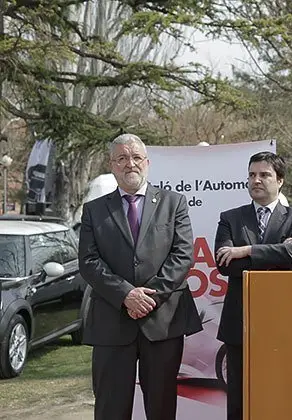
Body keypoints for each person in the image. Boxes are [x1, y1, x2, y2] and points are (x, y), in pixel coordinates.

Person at [78, 134, 202, 420]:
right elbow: (88, 261)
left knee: (161, 407)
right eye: (121, 158)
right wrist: (126, 295)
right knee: (111, 407)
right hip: (112, 322)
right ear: (112, 165)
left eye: (135, 157)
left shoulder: (174, 203)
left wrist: (148, 298)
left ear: (147, 162)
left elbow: (182, 256)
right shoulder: (94, 210)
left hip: (162, 323)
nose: (129, 163)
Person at [214, 151, 292, 420]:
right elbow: (225, 264)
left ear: (280, 181)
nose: (256, 180)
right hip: (239, 322)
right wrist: (276, 253)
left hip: (284, 323)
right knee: (239, 399)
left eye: (264, 175)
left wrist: (246, 250)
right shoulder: (231, 218)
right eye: (252, 175)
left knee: (282, 394)